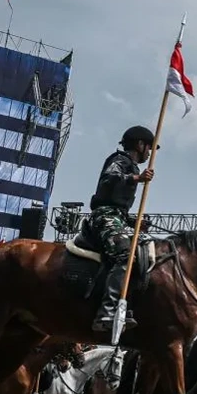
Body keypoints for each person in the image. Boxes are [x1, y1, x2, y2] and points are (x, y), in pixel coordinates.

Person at [87, 125, 156, 334]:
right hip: (104, 216)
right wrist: (137, 178)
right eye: (149, 148)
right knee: (125, 254)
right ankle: (107, 310)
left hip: (118, 217)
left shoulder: (133, 166)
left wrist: (134, 222)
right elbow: (110, 178)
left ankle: (127, 304)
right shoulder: (120, 159)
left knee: (144, 251)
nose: (149, 153)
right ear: (140, 144)